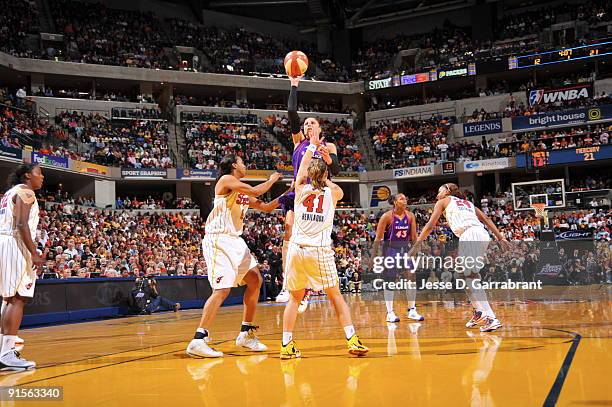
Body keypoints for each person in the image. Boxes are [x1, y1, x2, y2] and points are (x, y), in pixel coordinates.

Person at [186, 154, 285, 358]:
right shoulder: (226, 180)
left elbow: (265, 207)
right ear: (233, 165)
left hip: (235, 241)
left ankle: (245, 334)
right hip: (219, 239)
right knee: (222, 290)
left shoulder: (240, 192)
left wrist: (290, 194)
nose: (245, 164)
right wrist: (273, 180)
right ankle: (198, 339)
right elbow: (258, 190)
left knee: (255, 280)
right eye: (242, 161)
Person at [280, 131, 368, 359]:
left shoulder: (301, 190)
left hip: (296, 250)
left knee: (295, 298)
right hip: (318, 251)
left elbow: (300, 174)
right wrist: (325, 175)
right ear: (325, 175)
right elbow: (331, 185)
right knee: (336, 296)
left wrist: (310, 147)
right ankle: (352, 339)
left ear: (310, 175)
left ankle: (286, 345)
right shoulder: (333, 193)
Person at [275, 75, 341, 312]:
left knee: (315, 242)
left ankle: (307, 288)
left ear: (320, 127)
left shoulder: (328, 146)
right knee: (289, 229)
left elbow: (337, 170)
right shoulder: (298, 143)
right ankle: (289, 286)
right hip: (299, 193)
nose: (307, 125)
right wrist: (294, 84)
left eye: (312, 123)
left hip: (320, 195)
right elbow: (292, 113)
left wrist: (327, 158)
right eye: (305, 124)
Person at [409, 183, 508, 332]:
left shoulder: (443, 201)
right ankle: (479, 311)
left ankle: (491, 318)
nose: (437, 195)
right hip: (479, 234)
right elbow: (486, 218)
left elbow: (430, 225)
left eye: (439, 191)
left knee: (470, 276)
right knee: (462, 274)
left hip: (470, 235)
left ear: (447, 192)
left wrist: (417, 245)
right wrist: (500, 238)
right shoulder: (467, 203)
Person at [0, 164, 45, 370]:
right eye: (39, 173)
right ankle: (8, 353)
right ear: (28, 176)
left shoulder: (10, 192)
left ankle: (3, 349)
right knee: (18, 297)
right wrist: (34, 253)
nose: (42, 177)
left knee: (9, 298)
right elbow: (21, 224)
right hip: (15, 244)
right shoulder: (26, 192)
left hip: (5, 242)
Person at [372, 193, 423, 323]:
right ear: (395, 202)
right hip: (390, 250)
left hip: (405, 250)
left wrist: (415, 252)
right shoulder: (386, 216)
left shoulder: (410, 216)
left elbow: (414, 238)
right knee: (391, 280)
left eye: (405, 198)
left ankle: (412, 310)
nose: (405, 200)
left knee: (411, 276)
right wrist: (374, 256)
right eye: (401, 199)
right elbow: (378, 238)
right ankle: (389, 313)